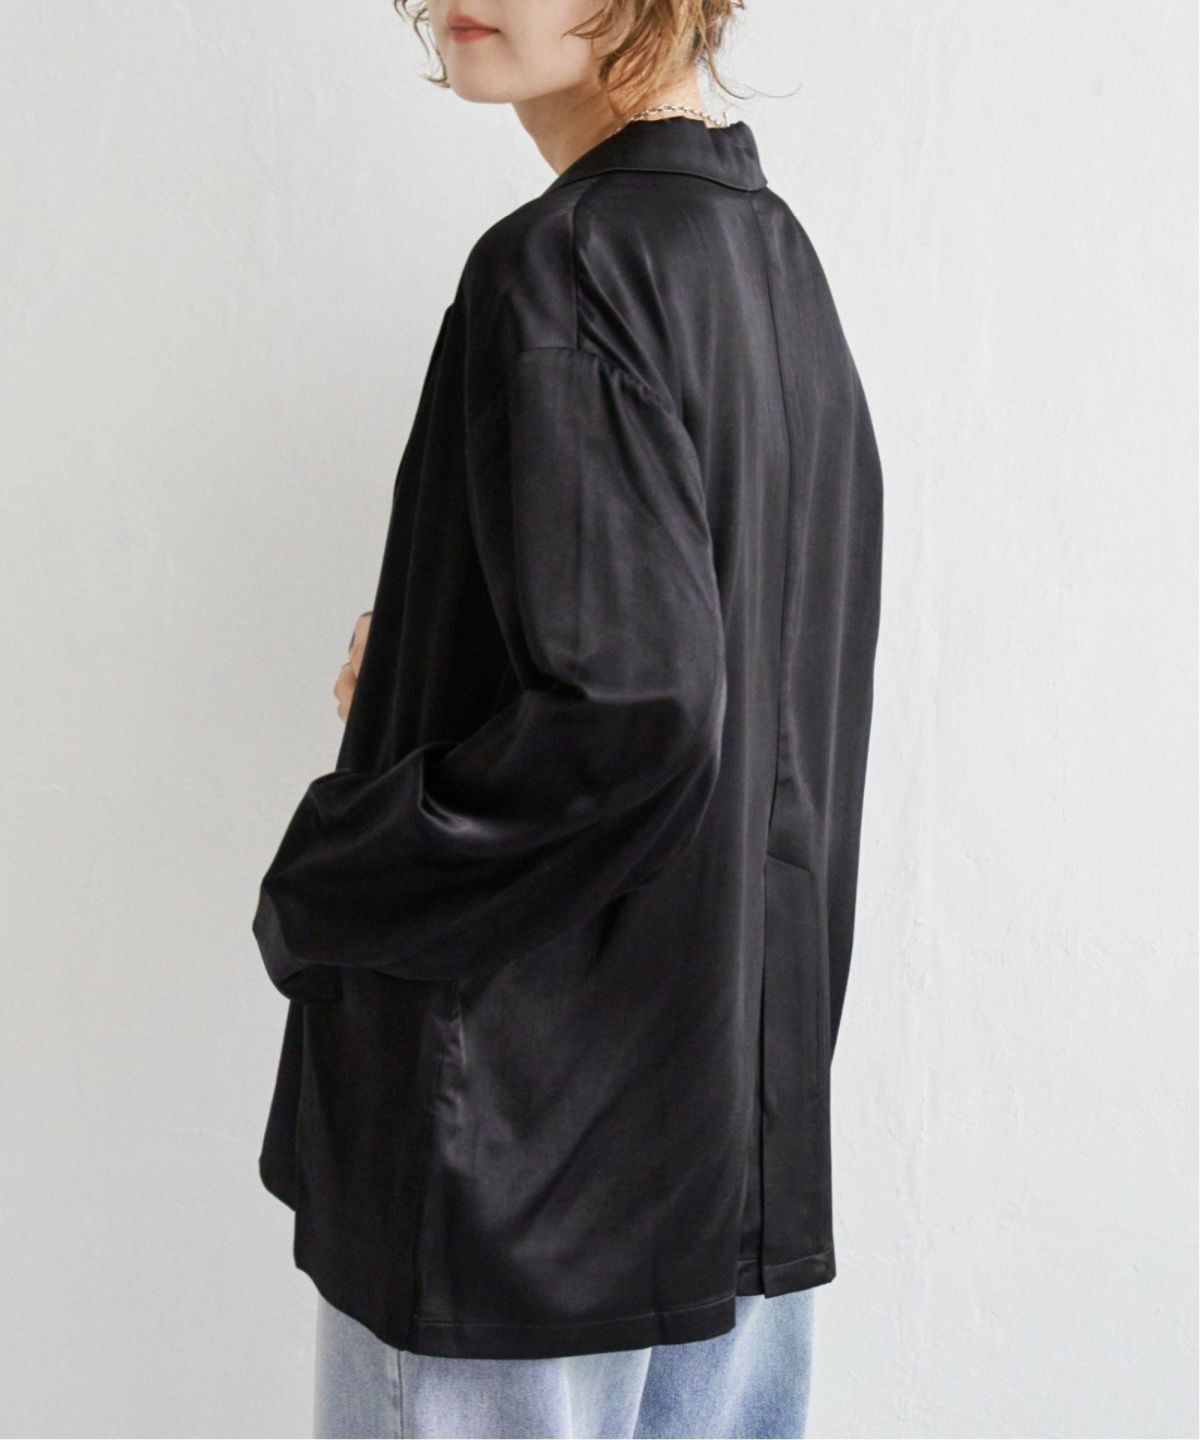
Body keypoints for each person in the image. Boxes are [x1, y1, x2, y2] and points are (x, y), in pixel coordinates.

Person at [251, 1, 884, 1435]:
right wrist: (433, 661)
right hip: (729, 1164)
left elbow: (635, 711)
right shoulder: (772, 259)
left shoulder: (567, 265)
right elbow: (710, 683)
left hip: (514, 1183)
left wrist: (335, 872)